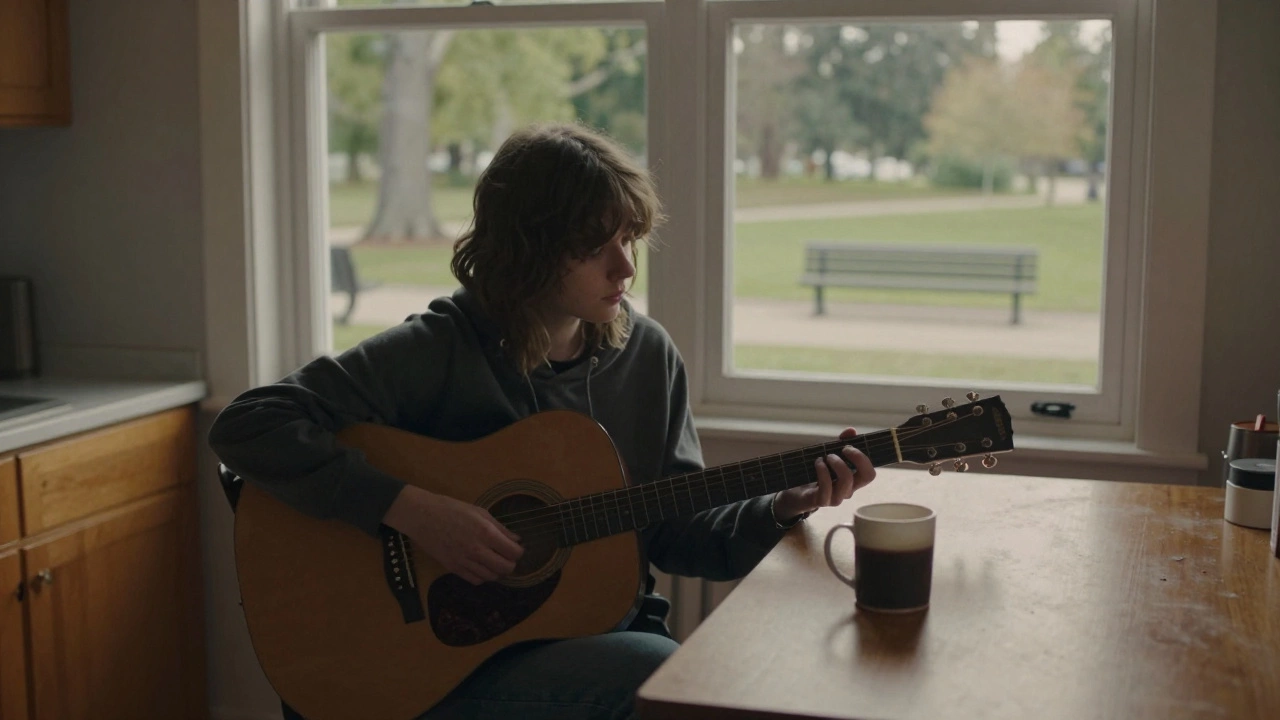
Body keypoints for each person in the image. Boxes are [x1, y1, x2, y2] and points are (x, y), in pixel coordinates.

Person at [209, 122, 876, 720]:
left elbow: (674, 535)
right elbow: (248, 424)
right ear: (526, 249)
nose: (625, 267)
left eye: (630, 238)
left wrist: (783, 508)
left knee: (680, 675)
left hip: (597, 635)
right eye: (595, 247)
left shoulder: (646, 355)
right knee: (654, 676)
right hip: (428, 662)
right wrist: (410, 509)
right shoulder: (441, 348)